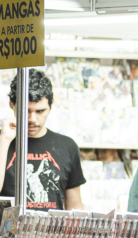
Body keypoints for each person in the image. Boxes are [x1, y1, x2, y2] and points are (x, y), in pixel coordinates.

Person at [0, 69, 86, 210]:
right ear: (12, 105)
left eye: (40, 111)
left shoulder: (67, 146)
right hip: (7, 231)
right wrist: (4, 141)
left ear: (50, 107)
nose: (32, 119)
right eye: (25, 110)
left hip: (52, 231)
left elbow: (75, 207)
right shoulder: (3, 140)